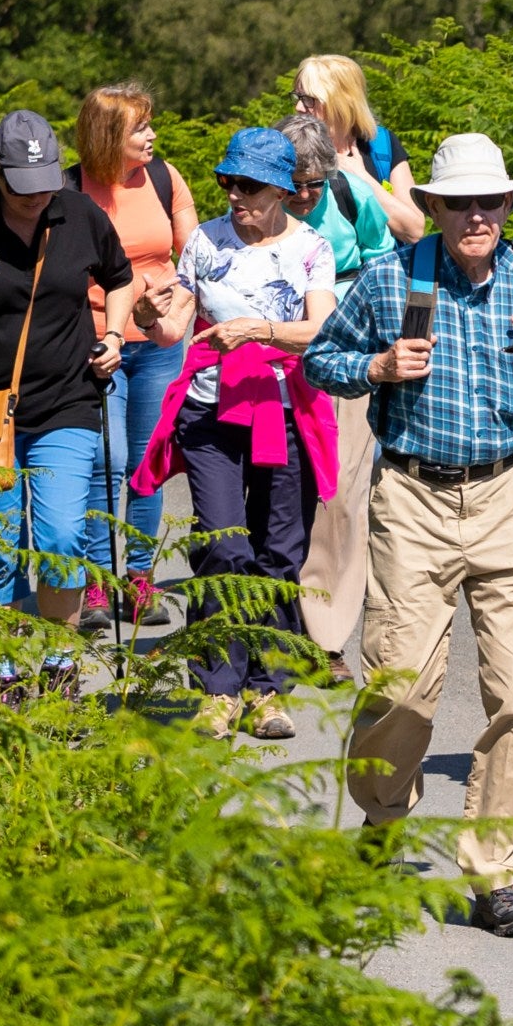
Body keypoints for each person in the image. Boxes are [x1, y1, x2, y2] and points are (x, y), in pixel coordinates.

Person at [305, 132, 513, 938]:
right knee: (402, 687)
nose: (475, 216)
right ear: (432, 208)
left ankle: (499, 874)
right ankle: (385, 822)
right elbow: (324, 358)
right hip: (415, 499)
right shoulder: (394, 278)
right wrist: (378, 369)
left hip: (509, 493)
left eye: (489, 202)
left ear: (507, 206)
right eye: (459, 202)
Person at [0, 110, 142, 706]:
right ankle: (4, 665)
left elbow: (120, 279)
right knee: (2, 541)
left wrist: (114, 338)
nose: (38, 197)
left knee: (63, 535)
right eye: (23, 185)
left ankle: (60, 661)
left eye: (45, 182)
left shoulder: (78, 213)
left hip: (66, 398)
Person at [128, 128, 339, 740]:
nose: (235, 195)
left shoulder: (311, 248)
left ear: (282, 190)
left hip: (281, 404)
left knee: (279, 551)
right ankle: (218, 689)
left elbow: (321, 331)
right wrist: (148, 315)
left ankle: (266, 689)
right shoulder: (204, 241)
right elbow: (175, 331)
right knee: (224, 546)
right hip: (211, 410)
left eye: (248, 185)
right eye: (227, 182)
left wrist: (258, 331)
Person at [69, 83, 200, 634]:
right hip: (97, 345)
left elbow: (194, 256)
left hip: (159, 346)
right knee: (107, 459)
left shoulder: (165, 178)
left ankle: (139, 581)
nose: (152, 135)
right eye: (139, 128)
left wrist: (173, 314)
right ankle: (98, 581)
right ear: (107, 137)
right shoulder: (70, 189)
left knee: (146, 466)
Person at [289, 103, 400, 678]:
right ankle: (272, 619)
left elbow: (386, 267)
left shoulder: (352, 197)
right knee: (283, 494)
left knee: (341, 493)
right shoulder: (255, 199)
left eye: (313, 185)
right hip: (276, 360)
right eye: (293, 186)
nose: (304, 196)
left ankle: (327, 637)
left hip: (344, 353)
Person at [294, 53, 427, 245]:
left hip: (382, 273)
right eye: (297, 97)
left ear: (340, 101)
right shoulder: (290, 149)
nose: (299, 106)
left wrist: (361, 177)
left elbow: (414, 231)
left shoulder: (381, 144)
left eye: (308, 99)